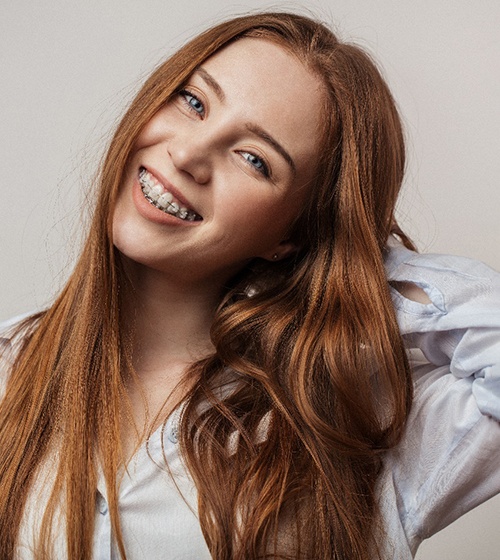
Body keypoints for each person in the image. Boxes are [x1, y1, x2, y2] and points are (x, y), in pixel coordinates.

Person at [0, 11, 499, 560]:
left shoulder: (357, 420)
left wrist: (343, 266)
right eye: (193, 102)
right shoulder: (11, 369)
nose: (188, 156)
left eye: (254, 160)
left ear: (291, 233)